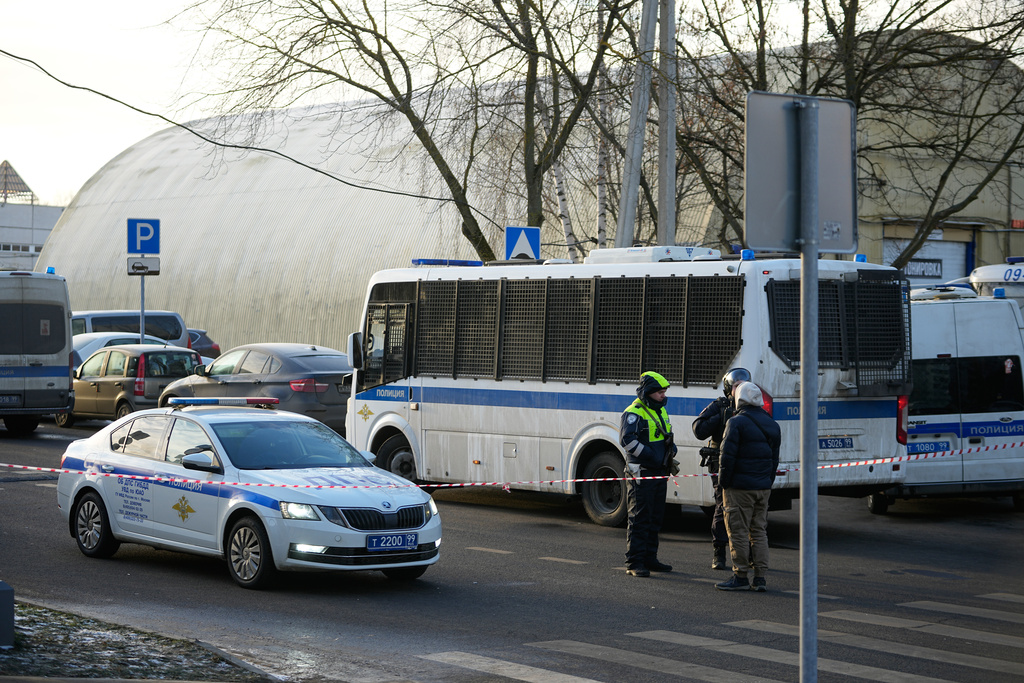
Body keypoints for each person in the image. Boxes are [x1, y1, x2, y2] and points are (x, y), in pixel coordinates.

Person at [715, 381, 781, 592]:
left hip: (739, 488)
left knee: (738, 532)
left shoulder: (736, 423)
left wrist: (724, 483)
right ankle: (760, 577)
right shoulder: (772, 424)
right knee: (759, 531)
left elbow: (726, 457)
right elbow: (774, 460)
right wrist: (767, 483)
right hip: (762, 487)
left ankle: (740, 575)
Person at [620, 371, 679, 577]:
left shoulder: (660, 409)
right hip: (641, 472)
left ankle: (650, 558)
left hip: (658, 472)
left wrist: (671, 449)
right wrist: (651, 456)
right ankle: (634, 562)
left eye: (664, 392)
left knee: (655, 517)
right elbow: (627, 440)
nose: (664, 396)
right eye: (660, 392)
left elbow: (664, 433)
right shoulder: (634, 411)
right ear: (648, 392)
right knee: (639, 517)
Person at [692, 367, 751, 570]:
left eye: (743, 385)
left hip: (744, 464)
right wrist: (721, 414)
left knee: (746, 507)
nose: (740, 389)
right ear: (728, 388)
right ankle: (719, 552)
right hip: (721, 463)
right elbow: (698, 429)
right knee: (722, 506)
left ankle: (748, 553)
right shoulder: (719, 405)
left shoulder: (751, 405)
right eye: (736, 385)